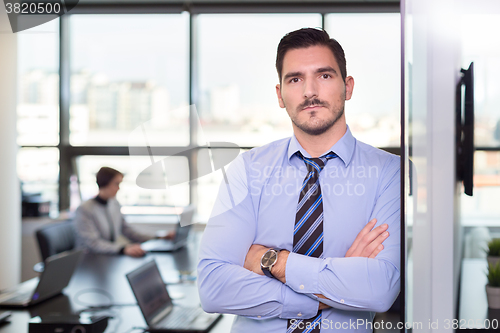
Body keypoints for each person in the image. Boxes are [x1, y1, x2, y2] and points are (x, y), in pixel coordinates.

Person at [197, 28, 400, 332]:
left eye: (324, 76)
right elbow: (213, 288)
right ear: (280, 94)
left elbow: (380, 290)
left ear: (348, 86)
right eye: (295, 79)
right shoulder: (248, 169)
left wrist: (273, 262)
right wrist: (328, 290)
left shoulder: (389, 172)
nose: (309, 91)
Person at [75, 166, 173, 257]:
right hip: (90, 259)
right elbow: (93, 243)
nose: (119, 188)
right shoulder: (84, 209)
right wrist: (123, 249)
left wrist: (158, 237)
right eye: (116, 184)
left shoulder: (114, 204)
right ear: (105, 183)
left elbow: (128, 231)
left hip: (109, 256)